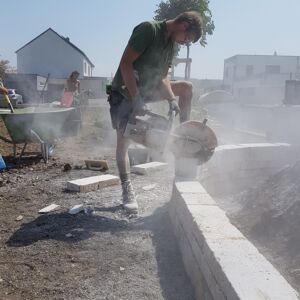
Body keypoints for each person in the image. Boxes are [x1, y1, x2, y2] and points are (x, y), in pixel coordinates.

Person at [108, 11, 203, 213]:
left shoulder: (170, 45)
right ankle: (127, 189)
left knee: (186, 88)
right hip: (126, 91)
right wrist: (135, 98)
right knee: (123, 142)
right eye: (187, 39)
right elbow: (125, 64)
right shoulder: (148, 30)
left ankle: (184, 138)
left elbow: (162, 77)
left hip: (147, 90)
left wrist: (171, 99)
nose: (185, 42)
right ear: (184, 25)